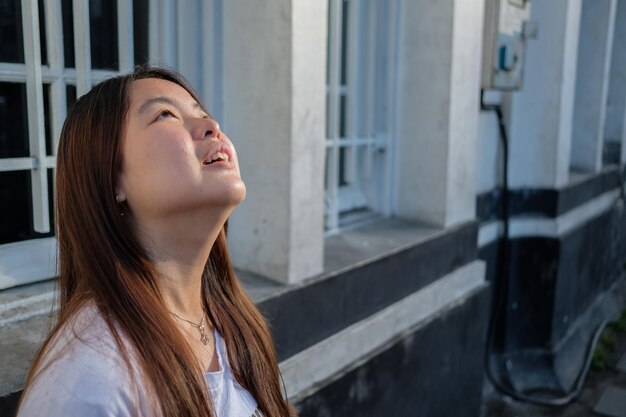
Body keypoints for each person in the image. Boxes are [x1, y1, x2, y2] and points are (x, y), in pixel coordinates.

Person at [16, 66, 297, 417]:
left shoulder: (233, 321)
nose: (213, 127)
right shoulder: (89, 378)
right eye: (166, 114)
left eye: (204, 114)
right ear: (111, 179)